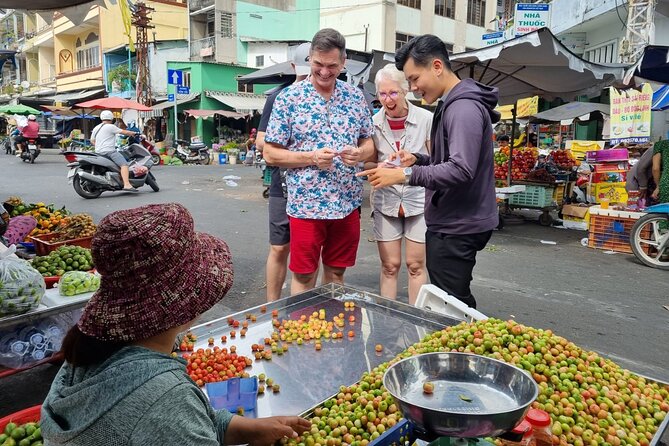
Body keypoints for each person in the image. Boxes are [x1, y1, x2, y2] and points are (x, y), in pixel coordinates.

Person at [40, 203, 310, 445]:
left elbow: (183, 424)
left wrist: (249, 428)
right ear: (185, 303)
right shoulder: (164, 398)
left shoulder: (87, 354)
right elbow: (168, 415)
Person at [358, 34, 500, 309]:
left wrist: (404, 175)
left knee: (452, 308)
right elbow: (449, 160)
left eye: (413, 79)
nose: (412, 88)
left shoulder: (463, 107)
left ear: (437, 66)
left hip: (458, 224)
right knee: (449, 300)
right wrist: (418, 159)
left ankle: (456, 352)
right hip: (454, 220)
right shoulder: (454, 103)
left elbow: (461, 169)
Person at [263, 29, 375, 294]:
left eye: (332, 66)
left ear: (344, 62)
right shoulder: (288, 99)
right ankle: (300, 333)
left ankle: (329, 333)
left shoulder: (354, 97)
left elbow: (369, 144)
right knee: (304, 276)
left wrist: (360, 154)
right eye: (318, 65)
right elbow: (270, 153)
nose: (324, 72)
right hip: (306, 206)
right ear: (310, 59)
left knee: (336, 272)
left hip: (347, 204)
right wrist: (310, 157)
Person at [370, 64, 432, 305]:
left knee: (415, 265)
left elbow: (437, 161)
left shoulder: (426, 119)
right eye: (382, 94)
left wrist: (412, 165)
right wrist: (374, 167)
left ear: (405, 90)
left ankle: (417, 319)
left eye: (393, 93)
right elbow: (368, 163)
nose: (388, 99)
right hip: (386, 200)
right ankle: (387, 319)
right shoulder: (373, 123)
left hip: (418, 201)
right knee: (389, 265)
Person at [256, 42, 311, 301]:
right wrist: (295, 152)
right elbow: (261, 142)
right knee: (279, 247)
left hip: (313, 190)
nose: (307, 79)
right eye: (302, 73)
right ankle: (271, 307)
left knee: (308, 250)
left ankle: (306, 304)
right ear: (293, 68)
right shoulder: (278, 97)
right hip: (282, 186)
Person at [91, 110, 141, 191]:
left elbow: (92, 140)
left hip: (98, 152)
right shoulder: (110, 126)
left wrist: (99, 146)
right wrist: (134, 133)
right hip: (109, 152)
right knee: (124, 164)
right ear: (111, 118)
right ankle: (127, 184)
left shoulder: (96, 128)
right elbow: (124, 132)